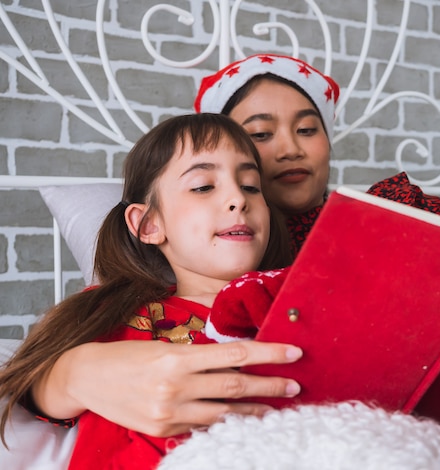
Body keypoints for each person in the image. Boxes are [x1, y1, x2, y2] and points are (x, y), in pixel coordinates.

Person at [14, 54, 440, 450]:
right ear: (149, 223)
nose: (287, 149)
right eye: (258, 138)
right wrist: (69, 373)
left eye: (307, 128)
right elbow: (33, 372)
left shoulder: (386, 210)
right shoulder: (132, 303)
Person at [0, 113, 298, 467]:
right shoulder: (119, 312)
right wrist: (66, 374)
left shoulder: (297, 300)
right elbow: (28, 386)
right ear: (148, 224)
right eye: (204, 186)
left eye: (251, 185)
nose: (238, 198)